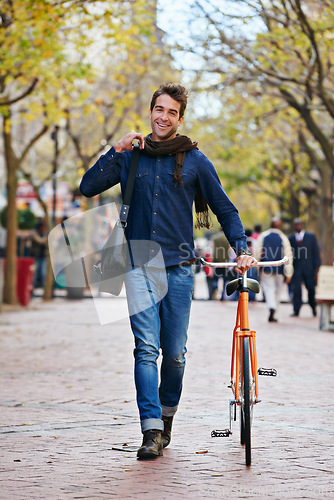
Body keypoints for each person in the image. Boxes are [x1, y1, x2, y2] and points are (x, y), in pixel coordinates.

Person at [80, 83, 256, 460]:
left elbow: (225, 210)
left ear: (180, 118)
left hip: (178, 270)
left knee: (174, 354)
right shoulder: (132, 157)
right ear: (150, 112)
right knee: (146, 349)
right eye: (158, 109)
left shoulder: (195, 161)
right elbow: (88, 185)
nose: (163, 117)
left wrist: (242, 250)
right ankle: (151, 430)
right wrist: (117, 148)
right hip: (136, 266)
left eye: (171, 112)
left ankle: (167, 417)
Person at [254, 217, 293, 322]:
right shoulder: (283, 237)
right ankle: (274, 311)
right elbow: (288, 255)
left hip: (266, 268)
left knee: (268, 289)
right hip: (279, 269)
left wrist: (257, 267)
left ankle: (271, 307)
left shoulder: (263, 236)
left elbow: (257, 252)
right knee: (278, 291)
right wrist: (288, 272)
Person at [288, 218, 321, 317]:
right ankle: (296, 309)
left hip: (309, 268)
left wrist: (317, 266)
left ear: (302, 225)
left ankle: (313, 306)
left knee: (311, 289)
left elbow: (316, 251)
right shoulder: (291, 238)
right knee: (296, 290)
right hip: (296, 269)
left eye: (300, 224)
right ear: (294, 226)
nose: (298, 226)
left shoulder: (311, 237)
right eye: (296, 224)